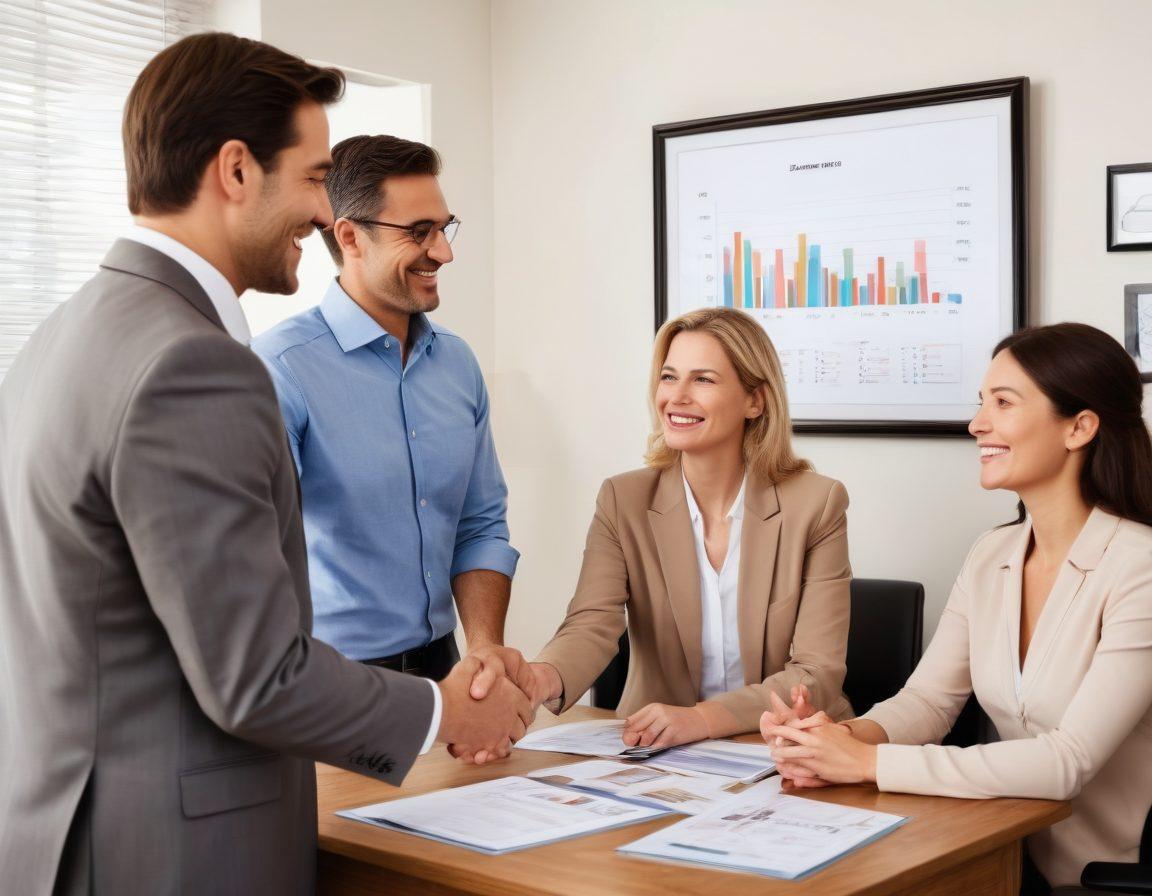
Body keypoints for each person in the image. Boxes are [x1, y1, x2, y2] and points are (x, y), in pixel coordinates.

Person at [0, 33, 531, 896]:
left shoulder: (63, 332)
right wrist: (445, 708)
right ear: (237, 170)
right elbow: (257, 677)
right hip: (171, 854)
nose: (328, 217)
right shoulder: (196, 364)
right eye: (318, 178)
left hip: (78, 836)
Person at [763, 323, 1152, 892]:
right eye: (980, 403)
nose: (977, 424)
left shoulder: (1139, 566)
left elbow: (1068, 760)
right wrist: (841, 740)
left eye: (1003, 402)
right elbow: (928, 702)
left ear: (1079, 427)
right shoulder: (993, 554)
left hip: (1100, 875)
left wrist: (868, 765)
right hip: (999, 847)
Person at [523, 306, 854, 748]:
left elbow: (816, 674)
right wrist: (538, 679)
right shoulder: (623, 500)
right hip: (656, 749)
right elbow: (591, 623)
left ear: (755, 400)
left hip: (783, 745)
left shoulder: (816, 503)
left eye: (703, 379)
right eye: (668, 377)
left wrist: (702, 719)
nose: (676, 397)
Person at [252, 135, 518, 683]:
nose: (443, 252)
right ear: (349, 236)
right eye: (419, 232)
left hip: (444, 671)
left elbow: (479, 523)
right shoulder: (281, 368)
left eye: (444, 228)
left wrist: (485, 646)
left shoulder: (457, 363)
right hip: (332, 682)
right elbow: (253, 559)